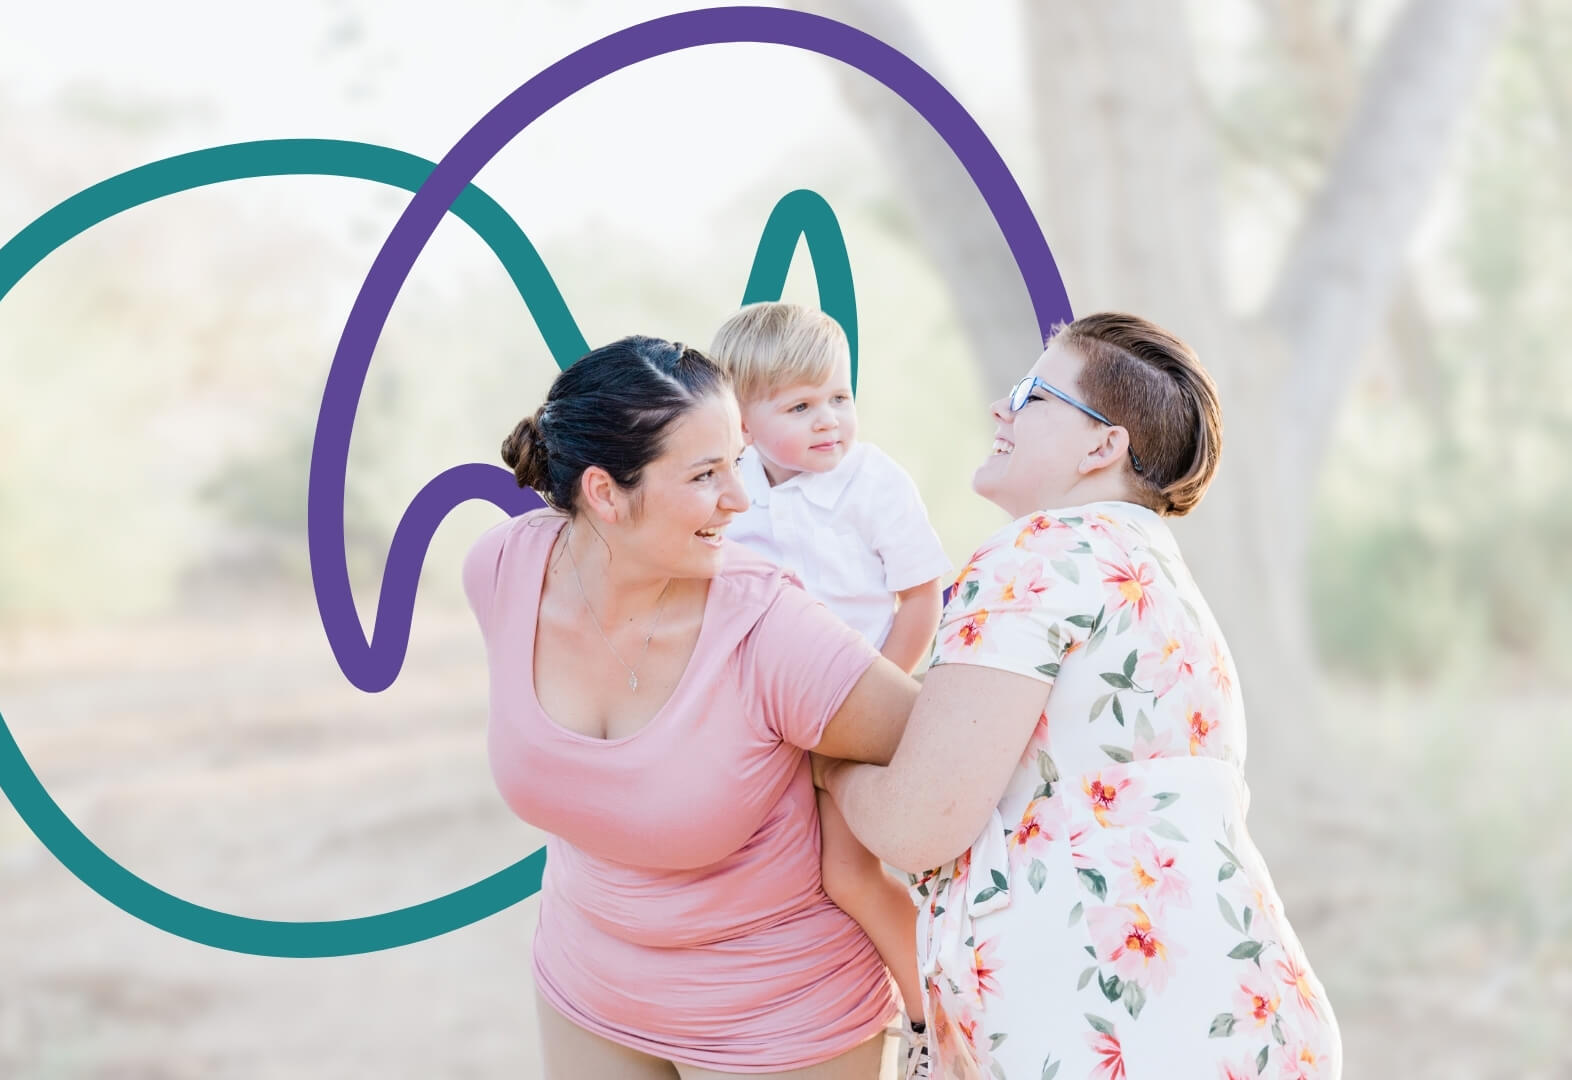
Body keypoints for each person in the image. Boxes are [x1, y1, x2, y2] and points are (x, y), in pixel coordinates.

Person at [815, 313, 1343, 1079]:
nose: (1002, 409)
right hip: (1249, 1021)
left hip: (1112, 1030)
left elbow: (918, 822)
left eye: (1032, 395)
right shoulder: (1159, 578)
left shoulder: (1040, 551)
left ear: (1104, 446)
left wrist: (829, 766)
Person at [463, 335, 923, 1078]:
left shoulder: (774, 630)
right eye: (708, 475)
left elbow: (944, 756)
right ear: (606, 493)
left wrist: (830, 771)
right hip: (587, 988)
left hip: (780, 1021)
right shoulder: (503, 570)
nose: (741, 500)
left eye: (737, 463)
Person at [708, 302, 950, 1077]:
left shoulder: (871, 482)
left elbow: (919, 597)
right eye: (801, 406)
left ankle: (932, 1020)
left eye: (839, 398)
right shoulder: (732, 490)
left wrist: (876, 696)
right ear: (740, 422)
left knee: (850, 872)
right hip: (767, 721)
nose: (830, 421)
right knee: (767, 865)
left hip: (857, 710)